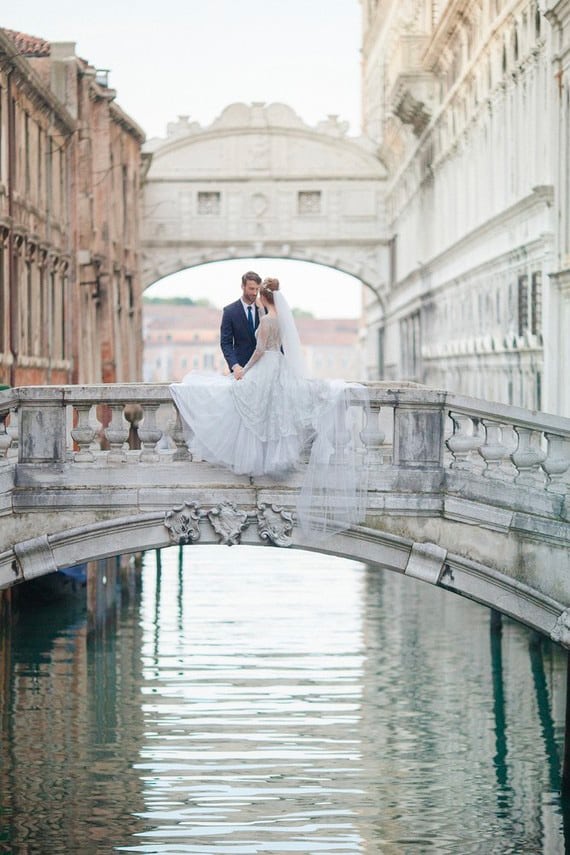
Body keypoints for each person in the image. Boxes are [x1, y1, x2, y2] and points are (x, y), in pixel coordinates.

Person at [170, 278, 368, 537]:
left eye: (257, 292)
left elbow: (261, 350)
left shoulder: (266, 319)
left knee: (249, 404)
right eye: (250, 290)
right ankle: (274, 455)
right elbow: (253, 346)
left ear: (262, 295)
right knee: (272, 412)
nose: (254, 295)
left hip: (264, 366)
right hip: (278, 367)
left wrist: (245, 371)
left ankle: (257, 455)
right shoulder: (274, 317)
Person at [220, 271, 262, 378]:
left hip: (263, 368)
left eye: (257, 289)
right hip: (240, 370)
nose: (255, 293)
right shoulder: (229, 311)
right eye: (251, 289)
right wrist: (234, 365)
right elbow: (226, 343)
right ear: (242, 286)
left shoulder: (264, 309)